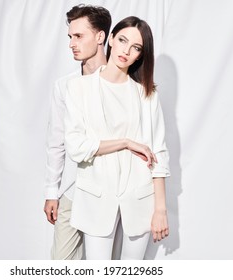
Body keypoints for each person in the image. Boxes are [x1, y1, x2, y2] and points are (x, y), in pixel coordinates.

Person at [64, 16, 170, 260]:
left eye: (136, 48)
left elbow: (158, 152)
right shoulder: (78, 88)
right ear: (110, 38)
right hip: (96, 196)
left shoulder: (147, 93)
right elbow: (77, 148)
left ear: (140, 56)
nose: (126, 50)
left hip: (140, 198)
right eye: (122, 40)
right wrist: (125, 142)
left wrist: (161, 209)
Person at [43, 4, 111, 260]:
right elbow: (56, 142)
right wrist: (52, 192)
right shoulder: (64, 86)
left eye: (78, 36)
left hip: (109, 190)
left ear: (101, 36)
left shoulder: (124, 83)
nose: (71, 43)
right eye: (70, 37)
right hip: (73, 189)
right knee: (61, 263)